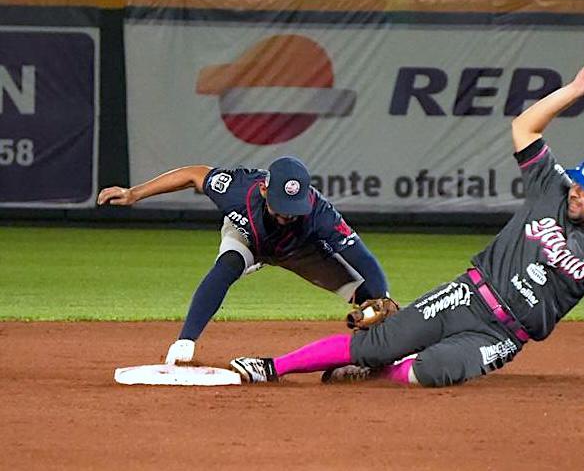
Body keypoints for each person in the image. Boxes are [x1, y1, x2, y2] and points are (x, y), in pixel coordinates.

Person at [228, 57, 584, 389]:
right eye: (577, 182)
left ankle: (381, 372)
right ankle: (274, 367)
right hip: (466, 295)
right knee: (373, 344)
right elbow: (524, 127)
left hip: (502, 335)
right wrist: (576, 90)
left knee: (427, 374)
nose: (575, 191)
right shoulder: (551, 188)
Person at [97, 156, 390, 364]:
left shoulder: (321, 214)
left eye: (294, 208)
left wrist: (382, 297)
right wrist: (134, 194)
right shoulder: (238, 189)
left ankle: (381, 354)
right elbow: (193, 174)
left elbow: (362, 257)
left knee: (367, 295)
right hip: (247, 233)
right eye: (281, 207)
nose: (287, 215)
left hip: (298, 249)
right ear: (264, 189)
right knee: (228, 265)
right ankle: (185, 342)